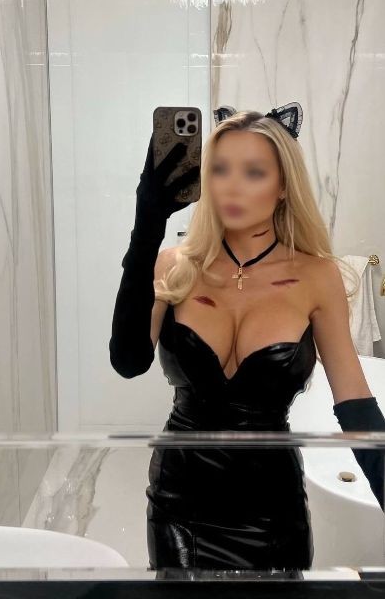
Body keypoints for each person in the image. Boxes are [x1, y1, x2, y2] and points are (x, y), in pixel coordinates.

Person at [109, 103, 385, 571]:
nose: (232, 187)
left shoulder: (316, 276)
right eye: (220, 170)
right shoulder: (174, 266)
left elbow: (355, 404)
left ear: (283, 186)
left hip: (272, 511)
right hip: (180, 504)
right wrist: (147, 224)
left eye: (254, 172)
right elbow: (128, 360)